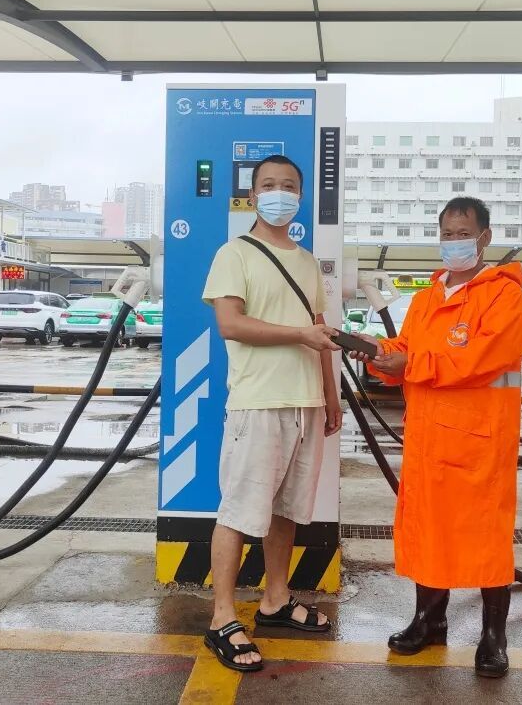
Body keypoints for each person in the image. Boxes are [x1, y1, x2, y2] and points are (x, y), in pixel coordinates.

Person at [351, 195, 522, 679]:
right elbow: (406, 349)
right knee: (429, 530)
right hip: (429, 439)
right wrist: (375, 350)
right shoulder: (428, 297)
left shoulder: (503, 296)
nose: (454, 243)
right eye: (447, 235)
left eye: (463, 234)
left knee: (486, 538)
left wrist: (411, 363)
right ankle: (429, 621)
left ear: (484, 238)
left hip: (480, 443)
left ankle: (493, 638)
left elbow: (480, 358)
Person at [200, 154, 344, 673]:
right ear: (253, 196)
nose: (279, 193)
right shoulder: (233, 253)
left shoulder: (307, 261)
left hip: (305, 403)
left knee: (286, 510)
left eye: (288, 186)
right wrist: (300, 334)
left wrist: (330, 394)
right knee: (240, 511)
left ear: (300, 196)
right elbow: (231, 324)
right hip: (257, 401)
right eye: (268, 185)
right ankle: (221, 617)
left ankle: (275, 600)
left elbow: (319, 331)